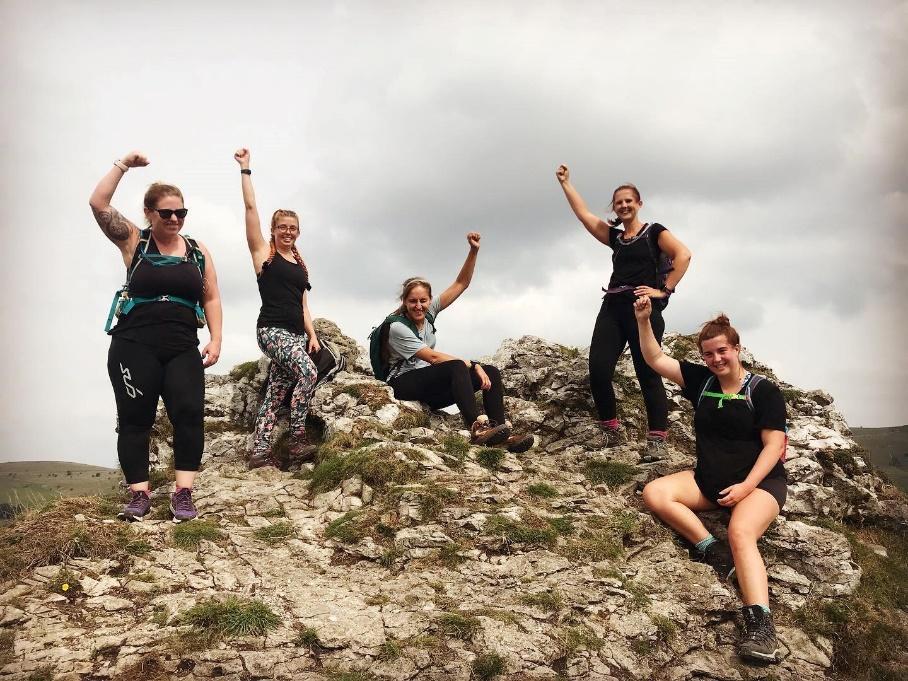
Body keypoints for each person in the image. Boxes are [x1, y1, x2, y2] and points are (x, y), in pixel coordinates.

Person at [634, 297, 787, 663]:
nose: (716, 359)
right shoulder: (702, 381)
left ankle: (761, 626)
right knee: (655, 493)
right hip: (709, 481)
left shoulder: (763, 391)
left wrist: (747, 487)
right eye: (708, 354)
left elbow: (774, 445)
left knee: (740, 531)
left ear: (737, 348)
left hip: (760, 486)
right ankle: (710, 549)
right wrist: (643, 320)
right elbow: (655, 359)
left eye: (722, 351)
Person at [91, 151, 223, 522]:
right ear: (150, 213)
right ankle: (138, 496)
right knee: (135, 418)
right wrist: (122, 165)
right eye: (167, 213)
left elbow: (211, 295)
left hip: (182, 346)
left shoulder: (196, 251)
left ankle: (183, 494)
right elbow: (98, 203)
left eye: (181, 213)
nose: (175, 219)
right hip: (134, 346)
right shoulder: (135, 241)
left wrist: (216, 338)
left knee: (190, 414)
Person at [556, 165, 691, 461]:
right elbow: (585, 216)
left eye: (629, 200)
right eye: (619, 202)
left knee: (648, 373)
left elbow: (684, 254)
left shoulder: (655, 232)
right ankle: (611, 431)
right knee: (599, 369)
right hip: (613, 307)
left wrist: (664, 290)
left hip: (643, 308)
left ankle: (657, 440)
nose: (624, 205)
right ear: (615, 207)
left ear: (639, 204)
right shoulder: (616, 238)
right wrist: (566, 183)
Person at [382, 233, 534, 452]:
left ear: (429, 300)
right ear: (404, 302)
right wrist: (472, 364)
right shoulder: (397, 327)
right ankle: (477, 430)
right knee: (456, 366)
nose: (418, 306)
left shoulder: (429, 313)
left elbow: (461, 283)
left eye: (423, 300)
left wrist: (474, 251)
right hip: (402, 384)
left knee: (490, 371)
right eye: (412, 301)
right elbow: (433, 358)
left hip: (428, 387)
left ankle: (500, 432)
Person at [234, 148, 321, 469]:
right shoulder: (264, 256)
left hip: (296, 335)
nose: (288, 231)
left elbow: (303, 304)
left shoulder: (299, 264)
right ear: (273, 230)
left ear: (298, 232)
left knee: (276, 393)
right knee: (308, 373)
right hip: (271, 330)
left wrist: (311, 335)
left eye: (293, 228)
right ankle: (297, 439)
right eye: (282, 226)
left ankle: (259, 451)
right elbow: (250, 208)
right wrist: (245, 169)